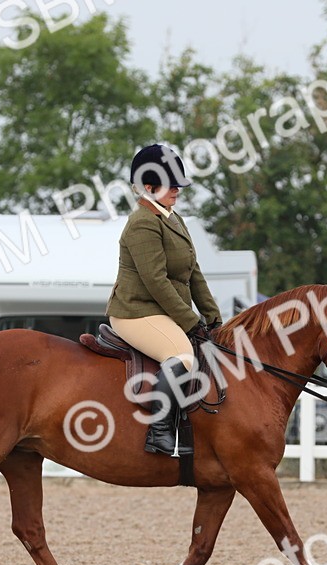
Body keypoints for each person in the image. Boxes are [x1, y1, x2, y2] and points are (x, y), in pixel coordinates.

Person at [106, 144, 222, 457]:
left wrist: (213, 317)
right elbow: (156, 282)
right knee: (183, 356)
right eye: (171, 185)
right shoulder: (143, 222)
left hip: (161, 311)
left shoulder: (174, 219)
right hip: (136, 312)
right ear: (148, 187)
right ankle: (158, 432)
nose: (177, 190)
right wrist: (190, 321)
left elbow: (193, 273)